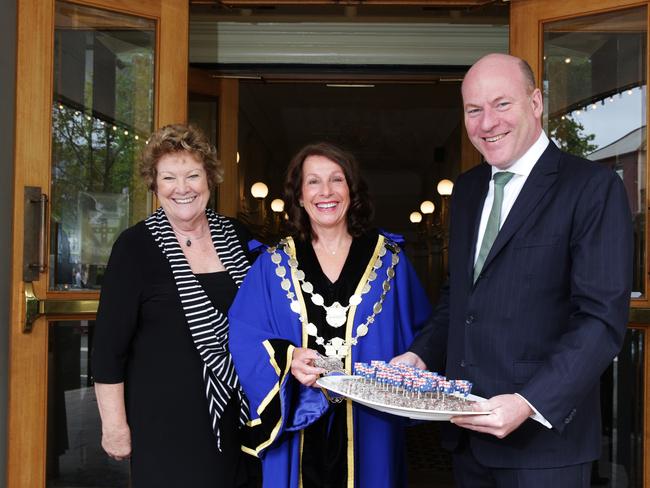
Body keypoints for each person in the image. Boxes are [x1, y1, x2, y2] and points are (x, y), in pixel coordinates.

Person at [392, 53, 633, 487]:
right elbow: (459, 298)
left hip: (544, 445)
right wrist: (420, 355)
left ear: (536, 103)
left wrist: (529, 401)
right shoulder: (466, 190)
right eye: (473, 110)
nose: (487, 123)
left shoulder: (592, 188)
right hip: (466, 437)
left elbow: (600, 319)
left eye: (502, 104)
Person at [228, 142, 431, 488]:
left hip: (371, 425)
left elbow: (423, 334)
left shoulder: (390, 261)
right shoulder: (272, 264)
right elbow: (244, 334)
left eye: (336, 180)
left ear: (352, 190)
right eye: (313, 182)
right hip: (297, 422)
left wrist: (414, 363)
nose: (326, 192)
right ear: (299, 195)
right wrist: (288, 358)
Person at [92, 124, 256, 487]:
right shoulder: (134, 248)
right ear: (154, 186)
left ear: (210, 179)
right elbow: (108, 348)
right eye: (168, 178)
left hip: (241, 419)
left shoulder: (241, 238)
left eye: (193, 175)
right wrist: (114, 425)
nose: (182, 188)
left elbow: (272, 316)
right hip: (164, 425)